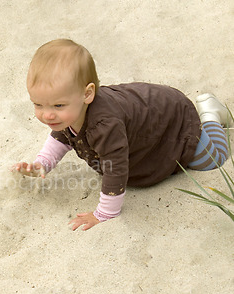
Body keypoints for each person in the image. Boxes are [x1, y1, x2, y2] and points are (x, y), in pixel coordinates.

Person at [13, 39, 230, 231]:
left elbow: (116, 167)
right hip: (145, 117)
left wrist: (104, 213)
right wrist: (42, 164)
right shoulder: (68, 113)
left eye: (58, 105)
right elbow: (60, 137)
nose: (47, 114)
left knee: (210, 159)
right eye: (38, 104)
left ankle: (210, 116)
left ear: (87, 94)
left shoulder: (104, 125)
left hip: (173, 120)